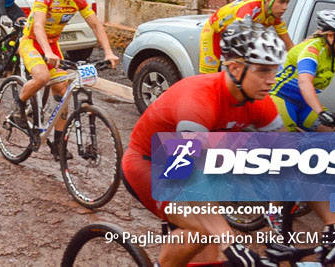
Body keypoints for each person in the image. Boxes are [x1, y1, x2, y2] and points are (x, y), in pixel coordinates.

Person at [122, 19, 286, 267]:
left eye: (274, 70)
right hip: (148, 164)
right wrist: (229, 241)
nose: (271, 79)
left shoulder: (259, 101)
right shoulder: (199, 100)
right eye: (263, 70)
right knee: (204, 229)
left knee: (208, 249)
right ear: (234, 67)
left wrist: (332, 223)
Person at [12, 0, 119, 160]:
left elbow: (96, 25)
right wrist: (46, 53)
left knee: (64, 92)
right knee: (42, 77)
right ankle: (19, 106)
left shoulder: (77, 0)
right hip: (33, 42)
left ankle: (58, 143)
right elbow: (38, 27)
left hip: (52, 45)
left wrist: (108, 52)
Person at [198, 0, 295, 74]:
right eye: (281, 2)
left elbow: (289, 45)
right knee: (210, 76)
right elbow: (239, 40)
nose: (285, 7)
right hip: (215, 32)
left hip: (231, 37)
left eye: (287, 2)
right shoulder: (249, 10)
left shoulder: (275, 17)